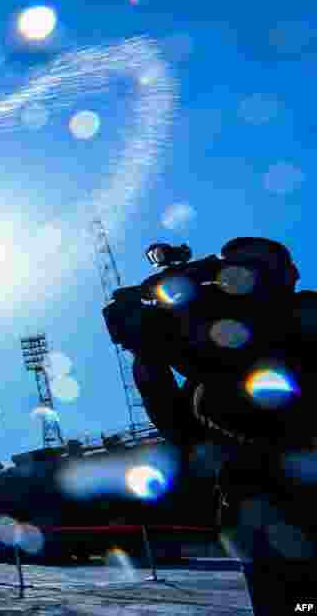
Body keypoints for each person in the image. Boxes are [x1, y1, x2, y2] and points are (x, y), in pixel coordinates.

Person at [106, 238, 317, 615]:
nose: (229, 287)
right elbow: (182, 430)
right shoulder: (211, 371)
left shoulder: (304, 318)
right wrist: (148, 359)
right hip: (258, 522)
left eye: (243, 275)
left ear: (284, 278)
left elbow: (279, 385)